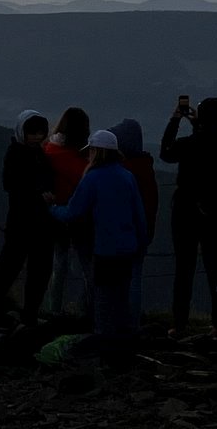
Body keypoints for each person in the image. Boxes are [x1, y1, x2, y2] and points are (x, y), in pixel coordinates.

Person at [50, 130, 148, 340]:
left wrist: (52, 208)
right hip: (128, 247)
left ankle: (103, 342)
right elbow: (139, 214)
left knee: (103, 297)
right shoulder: (127, 176)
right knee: (122, 297)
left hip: (105, 248)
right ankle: (124, 341)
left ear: (96, 151)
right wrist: (141, 242)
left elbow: (73, 212)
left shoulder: (93, 178)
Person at [160, 96, 217, 340]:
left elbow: (165, 152)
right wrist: (200, 125)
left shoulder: (187, 144)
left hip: (185, 210)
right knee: (216, 268)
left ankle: (179, 324)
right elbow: (212, 147)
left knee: (184, 269)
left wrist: (175, 120)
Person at [0, 110, 55, 325]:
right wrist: (39, 193)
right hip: (23, 220)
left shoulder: (35, 153)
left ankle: (28, 312)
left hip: (37, 221)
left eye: (40, 133)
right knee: (12, 266)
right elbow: (11, 184)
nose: (36, 137)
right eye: (32, 133)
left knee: (38, 270)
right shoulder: (17, 153)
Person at [109, 118, 158, 330]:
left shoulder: (121, 171)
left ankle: (114, 321)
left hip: (122, 234)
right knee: (135, 278)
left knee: (116, 280)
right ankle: (133, 323)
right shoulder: (146, 168)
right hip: (143, 232)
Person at [45, 107, 93, 318]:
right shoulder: (80, 159)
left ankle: (52, 310)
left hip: (55, 214)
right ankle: (88, 311)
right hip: (80, 215)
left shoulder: (49, 150)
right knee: (88, 268)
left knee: (59, 265)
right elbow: (84, 180)